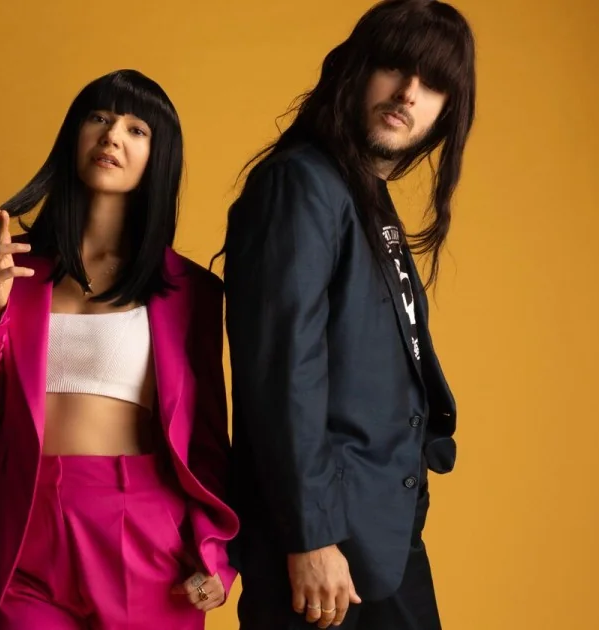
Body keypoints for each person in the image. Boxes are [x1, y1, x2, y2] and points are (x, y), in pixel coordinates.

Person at [0, 69, 240, 629]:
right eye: (99, 118)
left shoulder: (190, 290)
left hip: (143, 530)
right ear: (73, 135)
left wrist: (216, 554)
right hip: (26, 526)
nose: (112, 136)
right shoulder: (5, 264)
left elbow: (204, 439)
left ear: (159, 157)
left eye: (136, 129)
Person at [218, 0, 477, 628]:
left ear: (447, 111)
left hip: (380, 532)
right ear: (357, 69)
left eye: (433, 83)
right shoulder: (301, 183)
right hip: (320, 544)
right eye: (395, 67)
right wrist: (310, 536)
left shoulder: (364, 196)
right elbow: (284, 369)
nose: (409, 93)